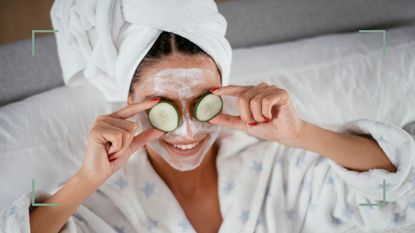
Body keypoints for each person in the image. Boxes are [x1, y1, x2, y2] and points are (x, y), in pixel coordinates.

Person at [2, 1, 415, 233]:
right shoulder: (108, 202)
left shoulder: (273, 165)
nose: (186, 130)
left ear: (225, 87)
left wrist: (302, 131)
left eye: (202, 100)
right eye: (162, 103)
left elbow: (395, 188)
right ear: (128, 100)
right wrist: (86, 180)